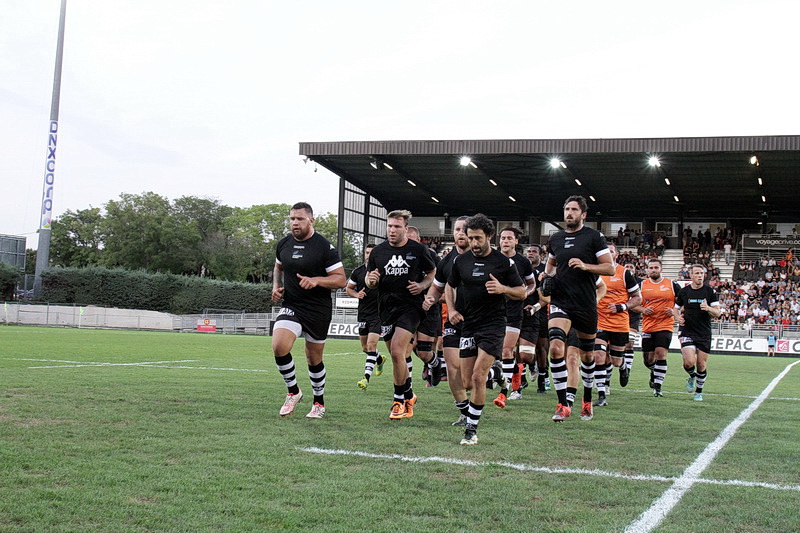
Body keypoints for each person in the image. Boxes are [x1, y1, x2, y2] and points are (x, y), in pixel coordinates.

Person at [441, 213, 525, 445]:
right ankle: (497, 374)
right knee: (468, 381)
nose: (474, 244)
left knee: (478, 377)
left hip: (493, 325)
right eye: (470, 238)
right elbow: (450, 286)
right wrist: (452, 309)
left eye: (478, 238)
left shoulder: (503, 263)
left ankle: (471, 430)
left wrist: (502, 288)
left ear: (489, 236)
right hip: (468, 324)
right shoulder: (461, 261)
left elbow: (522, 292)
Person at [542, 195, 615, 422]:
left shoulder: (593, 237)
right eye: (566, 209)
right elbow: (551, 265)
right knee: (555, 346)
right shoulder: (556, 238)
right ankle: (563, 403)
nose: (569, 213)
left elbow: (610, 269)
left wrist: (585, 266)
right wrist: (547, 276)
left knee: (587, 356)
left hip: (585, 304)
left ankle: (587, 399)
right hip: (561, 301)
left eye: (574, 209)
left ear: (583, 214)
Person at [271, 202, 347, 419]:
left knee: (313, 358)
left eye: (300, 219)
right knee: (279, 346)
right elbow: (278, 267)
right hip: (292, 305)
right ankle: (293, 391)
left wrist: (316, 281)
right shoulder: (283, 244)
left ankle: (318, 403)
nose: (295, 223)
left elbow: (341, 279)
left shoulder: (324, 247)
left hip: (318, 309)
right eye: (292, 219)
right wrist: (276, 287)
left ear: (311, 220)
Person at [366, 210, 436, 420]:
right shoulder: (378, 252)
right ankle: (409, 395)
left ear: (406, 228)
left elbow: (432, 274)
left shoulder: (418, 250)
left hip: (410, 307)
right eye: (389, 226)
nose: (392, 230)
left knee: (397, 351)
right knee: (397, 356)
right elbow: (370, 281)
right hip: (387, 308)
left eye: (397, 226)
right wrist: (371, 281)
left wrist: (422, 285)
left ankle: (398, 402)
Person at [424, 216, 472, 425]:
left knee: (470, 378)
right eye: (457, 229)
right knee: (453, 369)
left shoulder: (485, 257)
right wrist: (429, 298)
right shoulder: (446, 262)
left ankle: (494, 372)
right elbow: (436, 287)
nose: (460, 233)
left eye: (464, 229)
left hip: (479, 322)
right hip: (453, 321)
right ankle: (464, 412)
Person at [592, 243, 641, 407]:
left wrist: (622, 306)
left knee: (615, 361)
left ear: (616, 255)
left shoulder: (624, 273)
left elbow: (637, 298)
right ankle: (601, 395)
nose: (607, 253)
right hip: (599, 320)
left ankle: (623, 366)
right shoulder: (595, 271)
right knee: (598, 357)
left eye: (611, 251)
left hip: (619, 322)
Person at [494, 226, 536, 408]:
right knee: (496, 352)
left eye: (509, 238)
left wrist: (525, 294)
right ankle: (508, 378)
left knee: (507, 350)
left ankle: (511, 390)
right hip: (492, 311)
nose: (505, 241)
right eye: (503, 238)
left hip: (514, 311)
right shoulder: (492, 259)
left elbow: (532, 283)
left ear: (516, 241)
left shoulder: (523, 262)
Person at [632, 258, 680, 397]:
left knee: (661, 353)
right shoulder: (641, 286)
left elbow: (682, 301)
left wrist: (674, 311)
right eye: (651, 268)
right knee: (648, 360)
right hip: (648, 326)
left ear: (661, 269)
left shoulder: (671, 285)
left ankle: (658, 387)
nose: (653, 270)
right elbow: (632, 304)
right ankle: (654, 371)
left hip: (665, 325)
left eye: (656, 268)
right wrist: (642, 310)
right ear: (647, 270)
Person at [676, 264, 722, 401]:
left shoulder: (710, 292)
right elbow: (675, 309)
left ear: (704, 275)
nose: (699, 276)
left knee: (701, 364)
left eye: (701, 273)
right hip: (687, 330)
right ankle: (691, 376)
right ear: (691, 275)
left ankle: (699, 391)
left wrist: (708, 308)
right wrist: (677, 317)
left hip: (703, 332)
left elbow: (717, 313)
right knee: (689, 362)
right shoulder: (684, 292)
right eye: (696, 273)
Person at [406, 225, 444, 387]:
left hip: (429, 308)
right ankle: (405, 390)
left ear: (419, 240)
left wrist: (432, 298)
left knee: (424, 350)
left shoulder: (432, 257)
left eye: (411, 239)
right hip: (407, 309)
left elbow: (442, 282)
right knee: (404, 349)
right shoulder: (401, 256)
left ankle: (434, 364)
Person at [347, 244, 385, 390]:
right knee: (365, 348)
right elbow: (348, 289)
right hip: (363, 313)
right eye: (367, 252)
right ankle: (380, 359)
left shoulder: (382, 271)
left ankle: (366, 378)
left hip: (379, 314)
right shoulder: (358, 272)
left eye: (372, 252)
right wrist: (357, 294)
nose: (369, 255)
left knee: (371, 345)